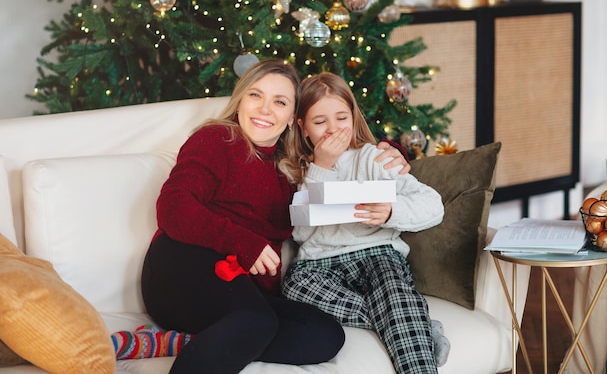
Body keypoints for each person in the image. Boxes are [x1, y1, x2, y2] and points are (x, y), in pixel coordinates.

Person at [139, 59, 410, 374]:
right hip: (181, 265)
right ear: (241, 101)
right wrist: (244, 243)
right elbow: (173, 208)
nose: (265, 109)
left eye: (279, 102)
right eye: (256, 96)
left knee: (324, 335)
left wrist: (390, 152)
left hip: (237, 291)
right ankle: (222, 335)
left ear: (294, 118)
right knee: (256, 321)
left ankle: (191, 342)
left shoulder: (296, 169)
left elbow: (349, 158)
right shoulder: (217, 140)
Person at [281, 72, 450, 374]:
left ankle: (410, 332)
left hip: (377, 252)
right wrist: (321, 168)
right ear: (303, 127)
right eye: (320, 122)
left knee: (393, 288)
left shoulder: (374, 159)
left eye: (341, 118)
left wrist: (390, 212)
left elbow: (433, 205)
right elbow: (301, 232)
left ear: (354, 117)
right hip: (320, 263)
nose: (333, 130)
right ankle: (416, 322)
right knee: (294, 287)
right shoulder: (296, 169)